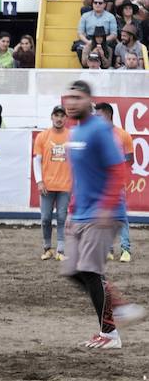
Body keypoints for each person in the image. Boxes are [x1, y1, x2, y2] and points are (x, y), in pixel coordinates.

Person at [60, 80, 145, 349]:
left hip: (102, 212)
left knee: (89, 270)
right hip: (80, 212)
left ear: (89, 100)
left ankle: (110, 334)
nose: (71, 102)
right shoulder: (75, 132)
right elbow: (81, 175)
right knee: (72, 270)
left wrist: (107, 208)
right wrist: (72, 208)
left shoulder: (99, 129)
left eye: (76, 97)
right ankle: (119, 307)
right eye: (68, 97)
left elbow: (118, 169)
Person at [95, 102, 134, 262]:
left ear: (108, 115)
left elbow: (130, 159)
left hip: (116, 184)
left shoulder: (123, 135)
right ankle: (109, 250)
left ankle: (125, 250)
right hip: (99, 184)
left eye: (98, 116)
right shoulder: (96, 135)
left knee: (120, 217)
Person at [32, 105, 71, 261]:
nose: (59, 118)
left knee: (62, 217)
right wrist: (40, 181)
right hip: (47, 186)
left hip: (65, 186)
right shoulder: (43, 136)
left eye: (62, 115)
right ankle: (47, 248)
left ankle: (61, 251)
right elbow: (37, 161)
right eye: (56, 115)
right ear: (52, 117)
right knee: (45, 218)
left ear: (66, 118)